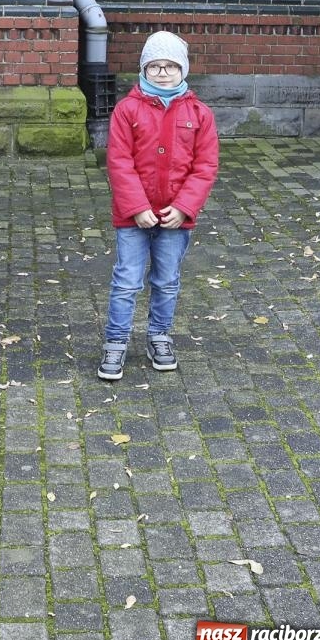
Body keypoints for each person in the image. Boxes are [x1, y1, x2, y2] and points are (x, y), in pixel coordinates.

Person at [97, 31, 219, 381]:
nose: (163, 72)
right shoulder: (127, 110)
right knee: (127, 281)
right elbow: (120, 162)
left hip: (175, 219)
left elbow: (205, 166)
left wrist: (184, 207)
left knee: (166, 280)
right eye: (155, 66)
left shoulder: (199, 114)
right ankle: (116, 341)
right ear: (143, 69)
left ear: (183, 69)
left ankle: (159, 336)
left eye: (170, 66)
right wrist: (136, 207)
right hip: (132, 216)